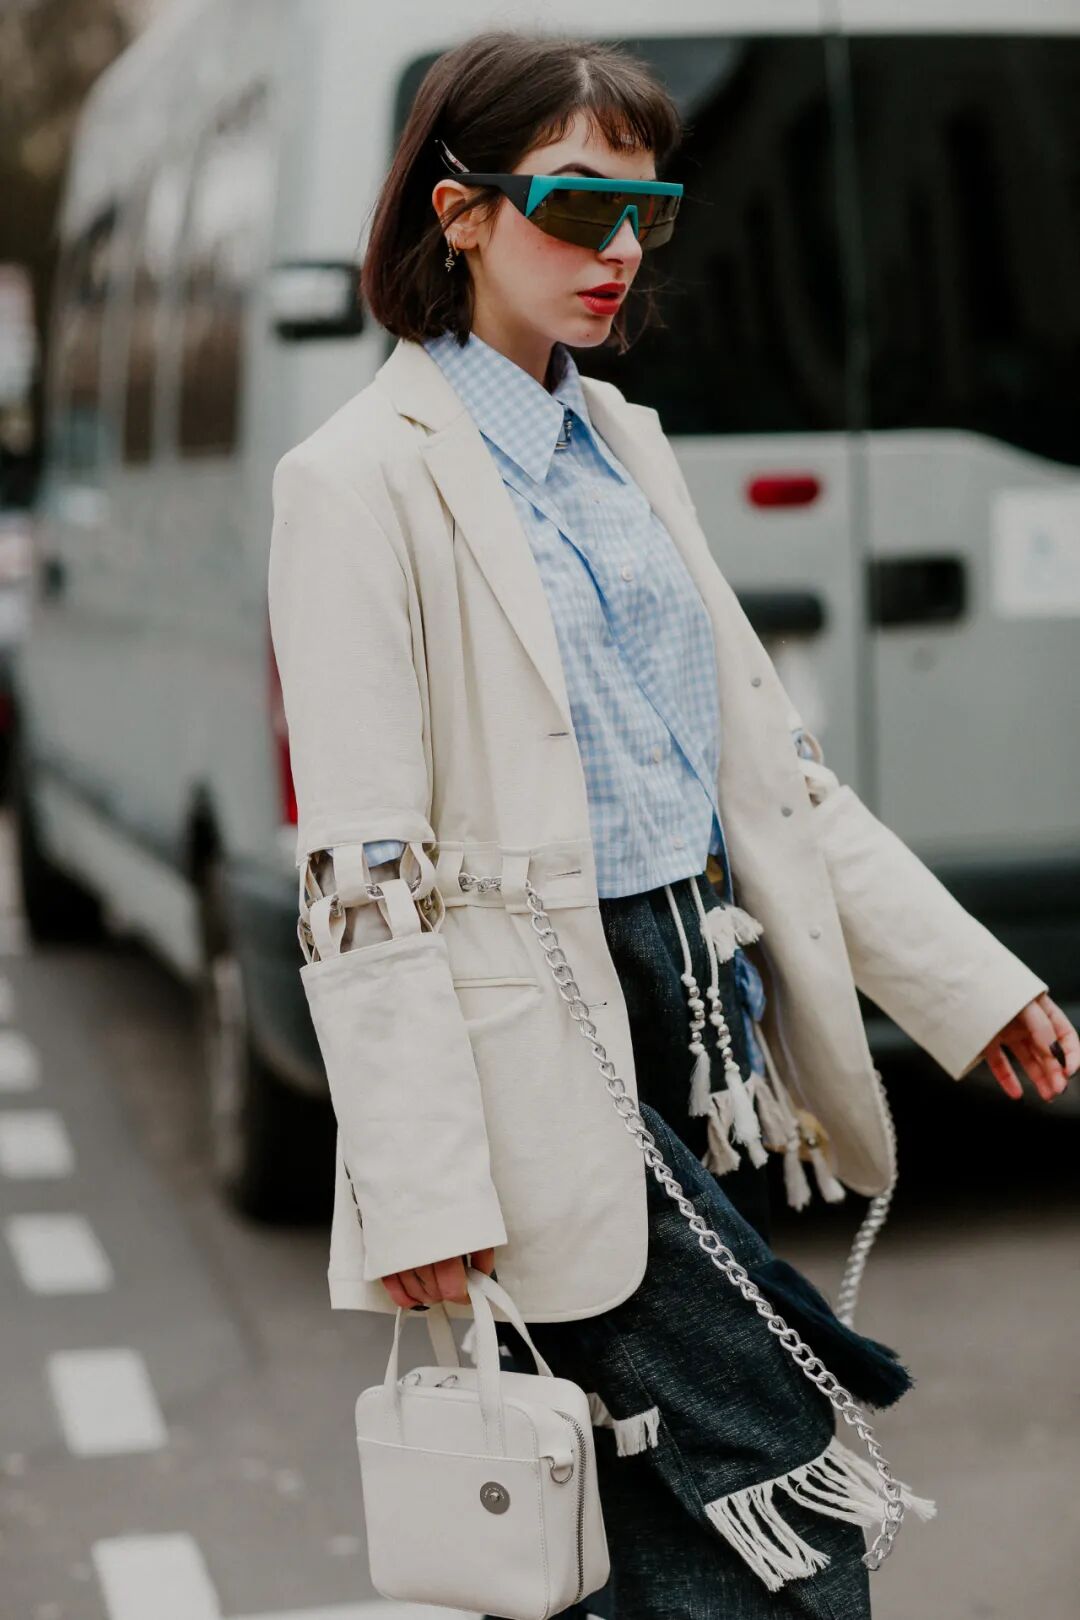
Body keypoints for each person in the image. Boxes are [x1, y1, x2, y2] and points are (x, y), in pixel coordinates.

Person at [267, 29, 1078, 1616]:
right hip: (532, 1046)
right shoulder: (355, 479)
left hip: (701, 1007)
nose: (622, 250)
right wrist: (421, 1188)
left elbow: (766, 776)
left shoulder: (624, 444)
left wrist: (970, 987)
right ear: (461, 213)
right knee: (781, 1470)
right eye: (580, 206)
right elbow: (359, 875)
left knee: (642, 1514)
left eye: (650, 212)